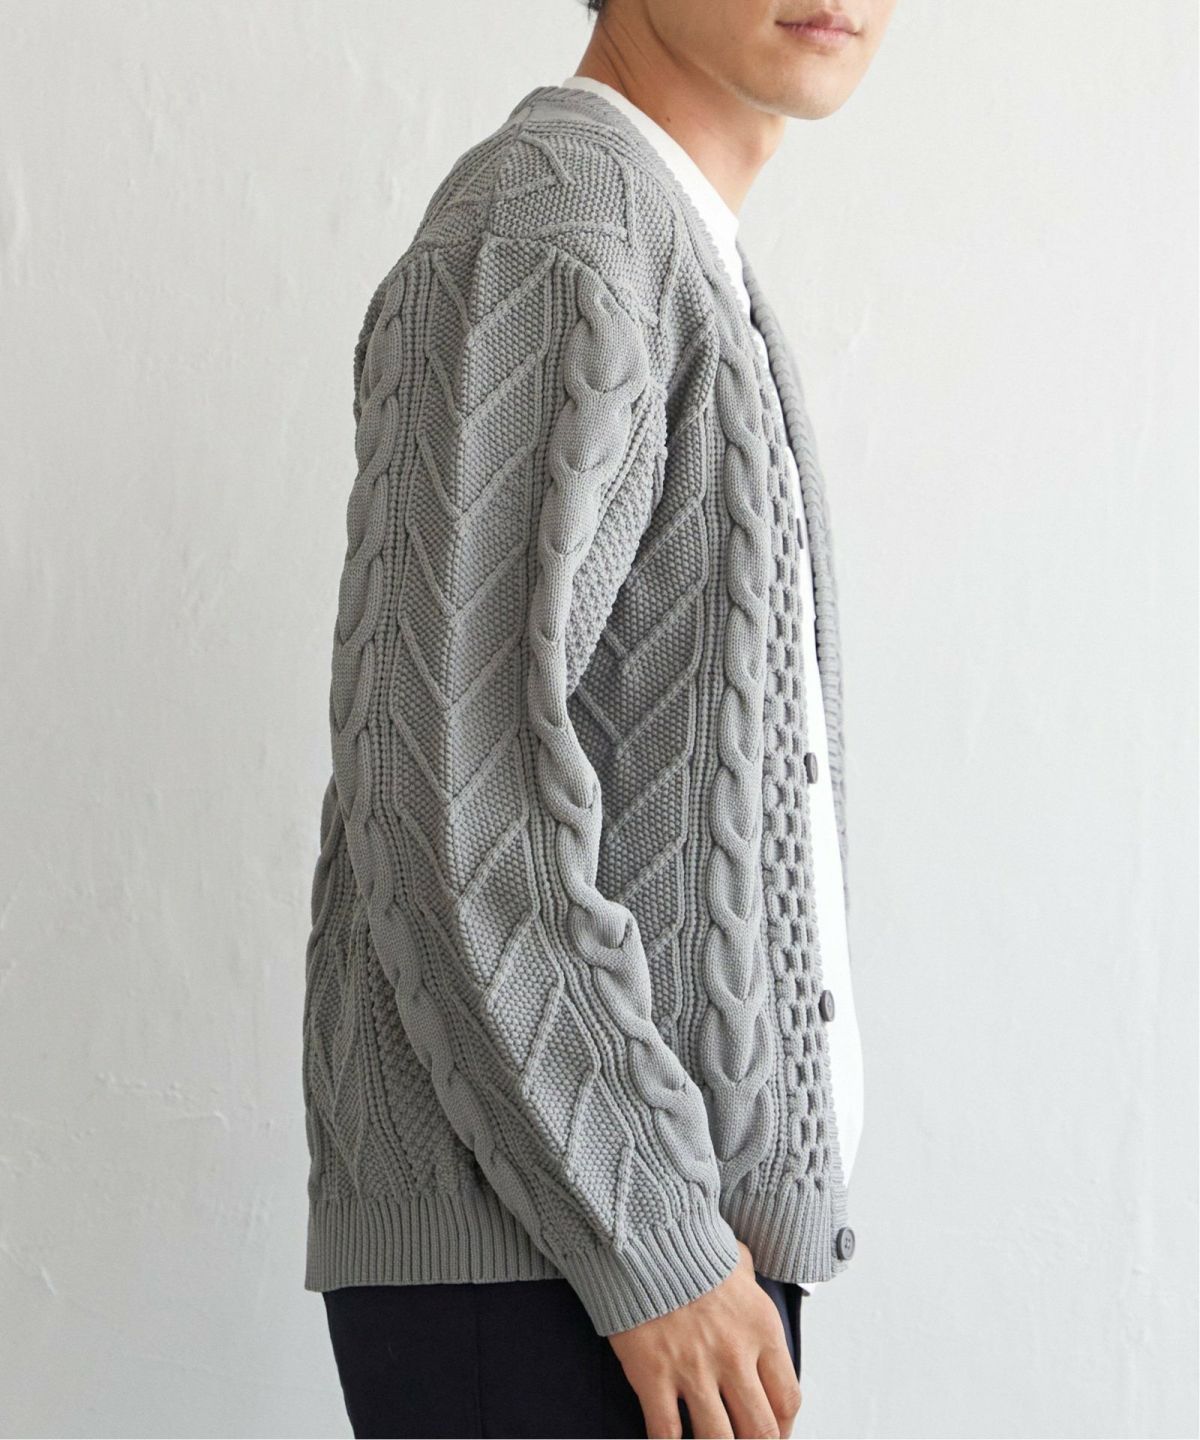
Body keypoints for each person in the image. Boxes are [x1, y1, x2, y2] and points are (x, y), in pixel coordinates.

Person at [302, 1, 896, 1434]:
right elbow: (445, 795)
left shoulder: (667, 242)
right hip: (567, 1256)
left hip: (641, 1247)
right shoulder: (554, 230)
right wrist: (653, 1242)